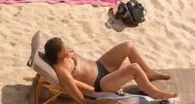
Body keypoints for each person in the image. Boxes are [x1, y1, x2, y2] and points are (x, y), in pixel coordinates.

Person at [43, 37, 175, 102]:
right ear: (59, 56)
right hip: (101, 83)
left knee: (128, 46)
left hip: (100, 65)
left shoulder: (63, 55)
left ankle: (149, 73)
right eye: (65, 51)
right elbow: (78, 95)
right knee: (134, 68)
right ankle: (154, 93)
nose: (68, 51)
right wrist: (92, 93)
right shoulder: (62, 70)